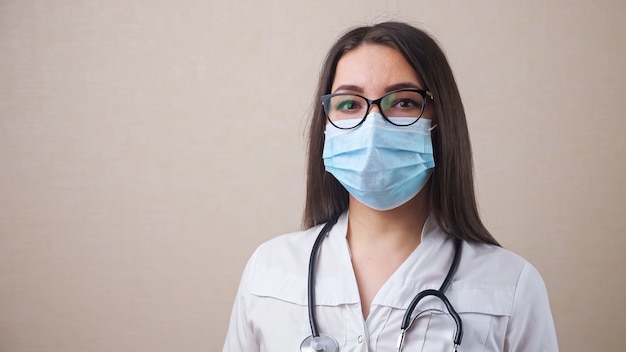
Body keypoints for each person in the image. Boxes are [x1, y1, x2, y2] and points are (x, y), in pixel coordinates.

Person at [223, 21, 559, 351]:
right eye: (349, 104)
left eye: (403, 102)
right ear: (326, 127)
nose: (372, 125)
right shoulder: (268, 272)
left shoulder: (510, 286)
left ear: (440, 121)